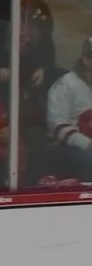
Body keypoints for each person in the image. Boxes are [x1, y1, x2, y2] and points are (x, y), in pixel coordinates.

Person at [46, 36, 92, 181]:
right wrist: (87, 144)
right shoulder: (66, 85)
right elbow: (57, 125)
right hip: (64, 150)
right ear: (86, 59)